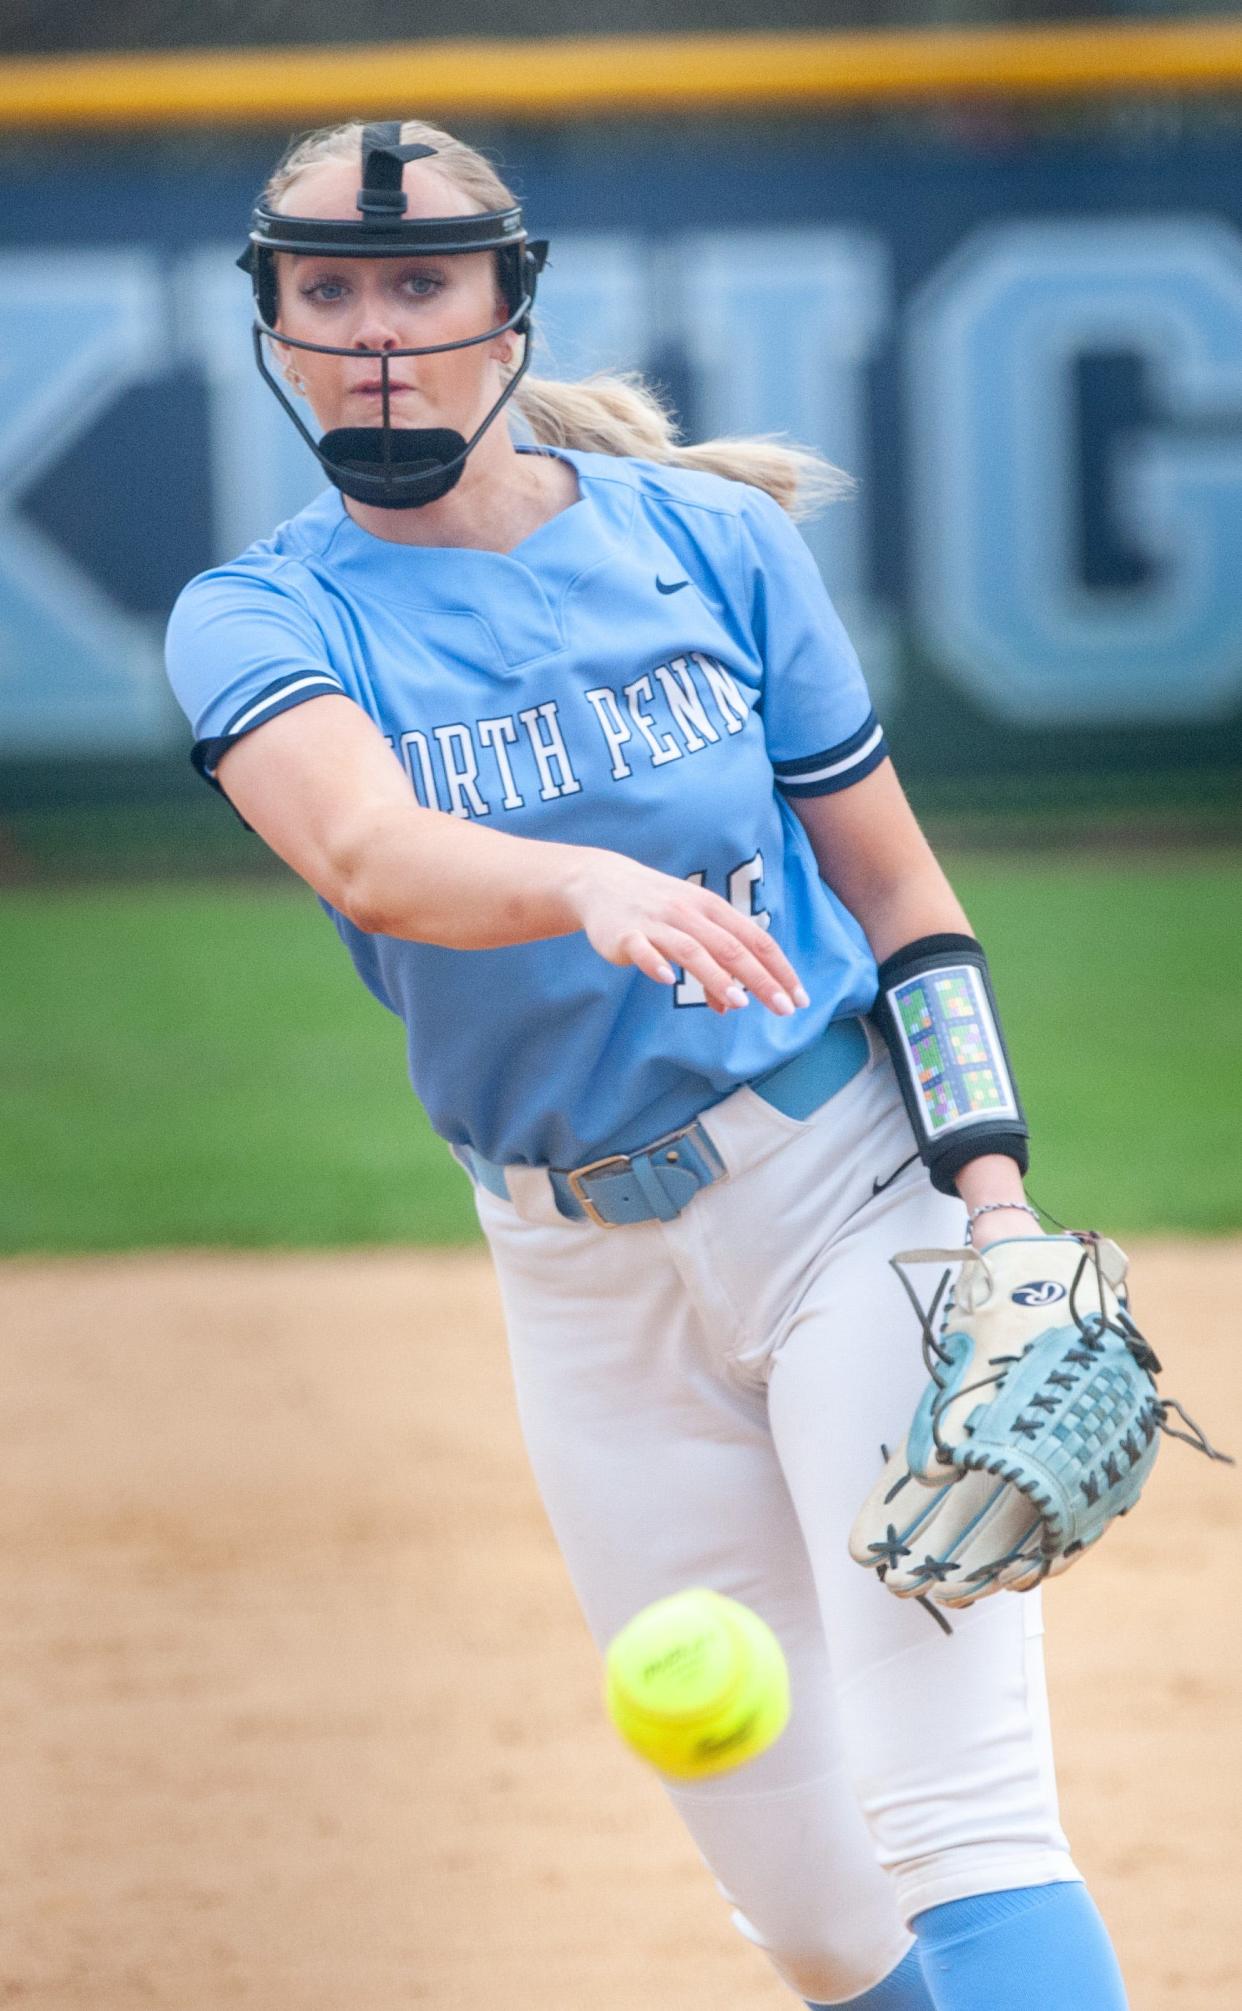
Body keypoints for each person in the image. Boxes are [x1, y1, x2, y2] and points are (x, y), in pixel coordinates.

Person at [165, 119, 1132, 2010]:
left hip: (844, 1193)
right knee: (815, 1916)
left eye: (420, 285)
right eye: (329, 291)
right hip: (578, 1281)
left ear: (509, 308)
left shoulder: (712, 539)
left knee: (955, 1819)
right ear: (272, 327)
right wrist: (584, 877)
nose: (374, 334)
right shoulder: (262, 615)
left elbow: (904, 898)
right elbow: (367, 853)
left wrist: (993, 1205)